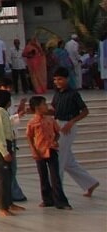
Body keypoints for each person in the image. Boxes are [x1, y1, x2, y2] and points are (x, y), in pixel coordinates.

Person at [49, 66, 99, 198]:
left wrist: (71, 122)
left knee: (59, 158)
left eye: (60, 79)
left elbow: (85, 111)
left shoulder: (73, 94)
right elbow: (54, 111)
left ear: (66, 79)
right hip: (58, 124)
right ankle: (90, 183)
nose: (57, 82)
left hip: (68, 126)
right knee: (68, 162)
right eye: (55, 79)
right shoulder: (57, 93)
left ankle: (56, 193)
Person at [26, 95, 72, 210]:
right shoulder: (32, 123)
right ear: (37, 107)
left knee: (55, 176)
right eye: (44, 104)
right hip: (39, 151)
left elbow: (57, 133)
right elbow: (30, 137)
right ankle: (47, 199)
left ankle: (60, 201)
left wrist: (55, 141)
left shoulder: (50, 120)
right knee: (43, 177)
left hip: (51, 150)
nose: (46, 106)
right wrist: (34, 150)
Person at [0, 77, 28, 202]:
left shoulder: (8, 100)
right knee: (6, 169)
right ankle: (7, 194)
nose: (8, 90)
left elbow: (10, 117)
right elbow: (0, 126)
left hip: (11, 137)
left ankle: (7, 192)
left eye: (9, 87)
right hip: (4, 141)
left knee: (11, 169)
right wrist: (4, 151)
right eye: (5, 87)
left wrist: (19, 111)